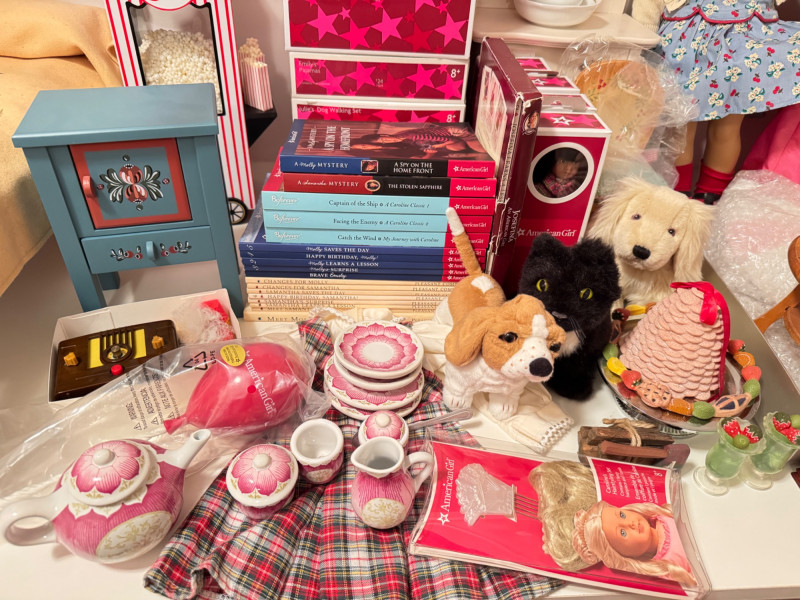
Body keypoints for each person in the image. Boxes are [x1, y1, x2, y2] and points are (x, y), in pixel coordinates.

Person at [634, 0, 800, 204]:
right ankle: (689, 197)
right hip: (704, 39)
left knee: (704, 129)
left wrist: (643, 34)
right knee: (688, 127)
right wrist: (643, 35)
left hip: (730, 39)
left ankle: (699, 198)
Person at [529, 461, 697, 586]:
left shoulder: (661, 514)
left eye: (622, 515)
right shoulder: (667, 565)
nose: (630, 524)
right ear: (621, 556)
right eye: (622, 533)